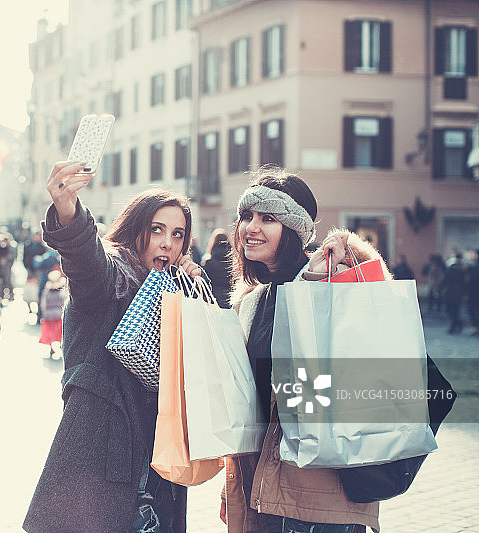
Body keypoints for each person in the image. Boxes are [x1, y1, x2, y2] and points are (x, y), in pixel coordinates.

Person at [24, 160, 202, 533]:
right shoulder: (112, 277)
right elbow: (85, 260)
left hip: (159, 460)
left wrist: (186, 296)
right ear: (137, 229)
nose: (167, 242)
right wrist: (68, 210)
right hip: (102, 456)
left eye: (178, 234)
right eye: (157, 230)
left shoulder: (173, 286)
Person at [220, 167, 384, 533]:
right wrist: (230, 490)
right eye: (246, 216)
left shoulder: (329, 284)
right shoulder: (250, 300)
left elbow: (377, 332)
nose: (251, 227)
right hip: (261, 494)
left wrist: (328, 274)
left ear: (295, 230)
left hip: (322, 499)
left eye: (268, 218)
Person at [201, 227, 234, 308]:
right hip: (230, 298)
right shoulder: (234, 263)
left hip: (213, 299)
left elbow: (204, 284)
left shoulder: (208, 262)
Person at [39, 266, 67, 357]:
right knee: (58, 331)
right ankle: (59, 344)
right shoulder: (61, 293)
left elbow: (43, 304)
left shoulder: (46, 293)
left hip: (48, 314)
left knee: (50, 331)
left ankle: (51, 347)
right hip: (58, 314)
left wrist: (44, 312)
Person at [442, 251, 467, 334]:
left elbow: (445, 280)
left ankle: (455, 325)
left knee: (450, 309)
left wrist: (440, 289)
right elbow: (464, 283)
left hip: (450, 291)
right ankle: (457, 324)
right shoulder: (462, 269)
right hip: (458, 292)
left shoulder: (451, 268)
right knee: (455, 310)